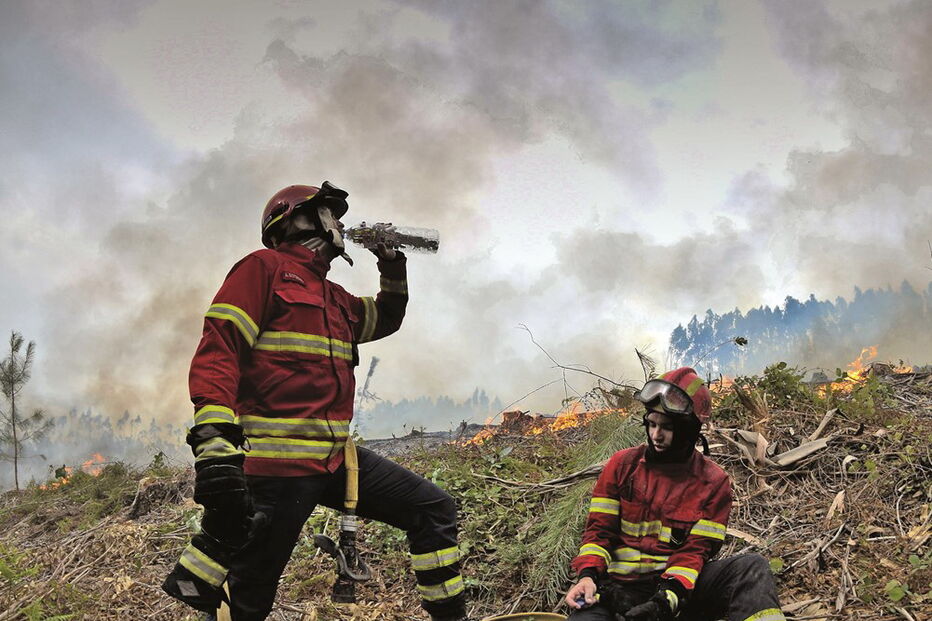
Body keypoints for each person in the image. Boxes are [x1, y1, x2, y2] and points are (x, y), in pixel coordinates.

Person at [162, 182, 467, 621]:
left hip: (334, 461)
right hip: (274, 469)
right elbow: (219, 352)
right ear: (302, 218)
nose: (341, 224)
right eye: (332, 214)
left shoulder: (334, 297)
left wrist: (392, 264)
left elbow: (387, 316)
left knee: (432, 508)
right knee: (248, 598)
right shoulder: (262, 269)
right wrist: (214, 448)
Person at [563, 367, 786, 621]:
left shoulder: (712, 483)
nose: (656, 435)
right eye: (652, 424)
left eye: (667, 427)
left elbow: (695, 551)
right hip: (613, 591)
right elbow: (598, 533)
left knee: (750, 568)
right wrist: (588, 577)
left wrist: (666, 601)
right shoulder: (621, 467)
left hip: (676, 591)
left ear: (689, 430)